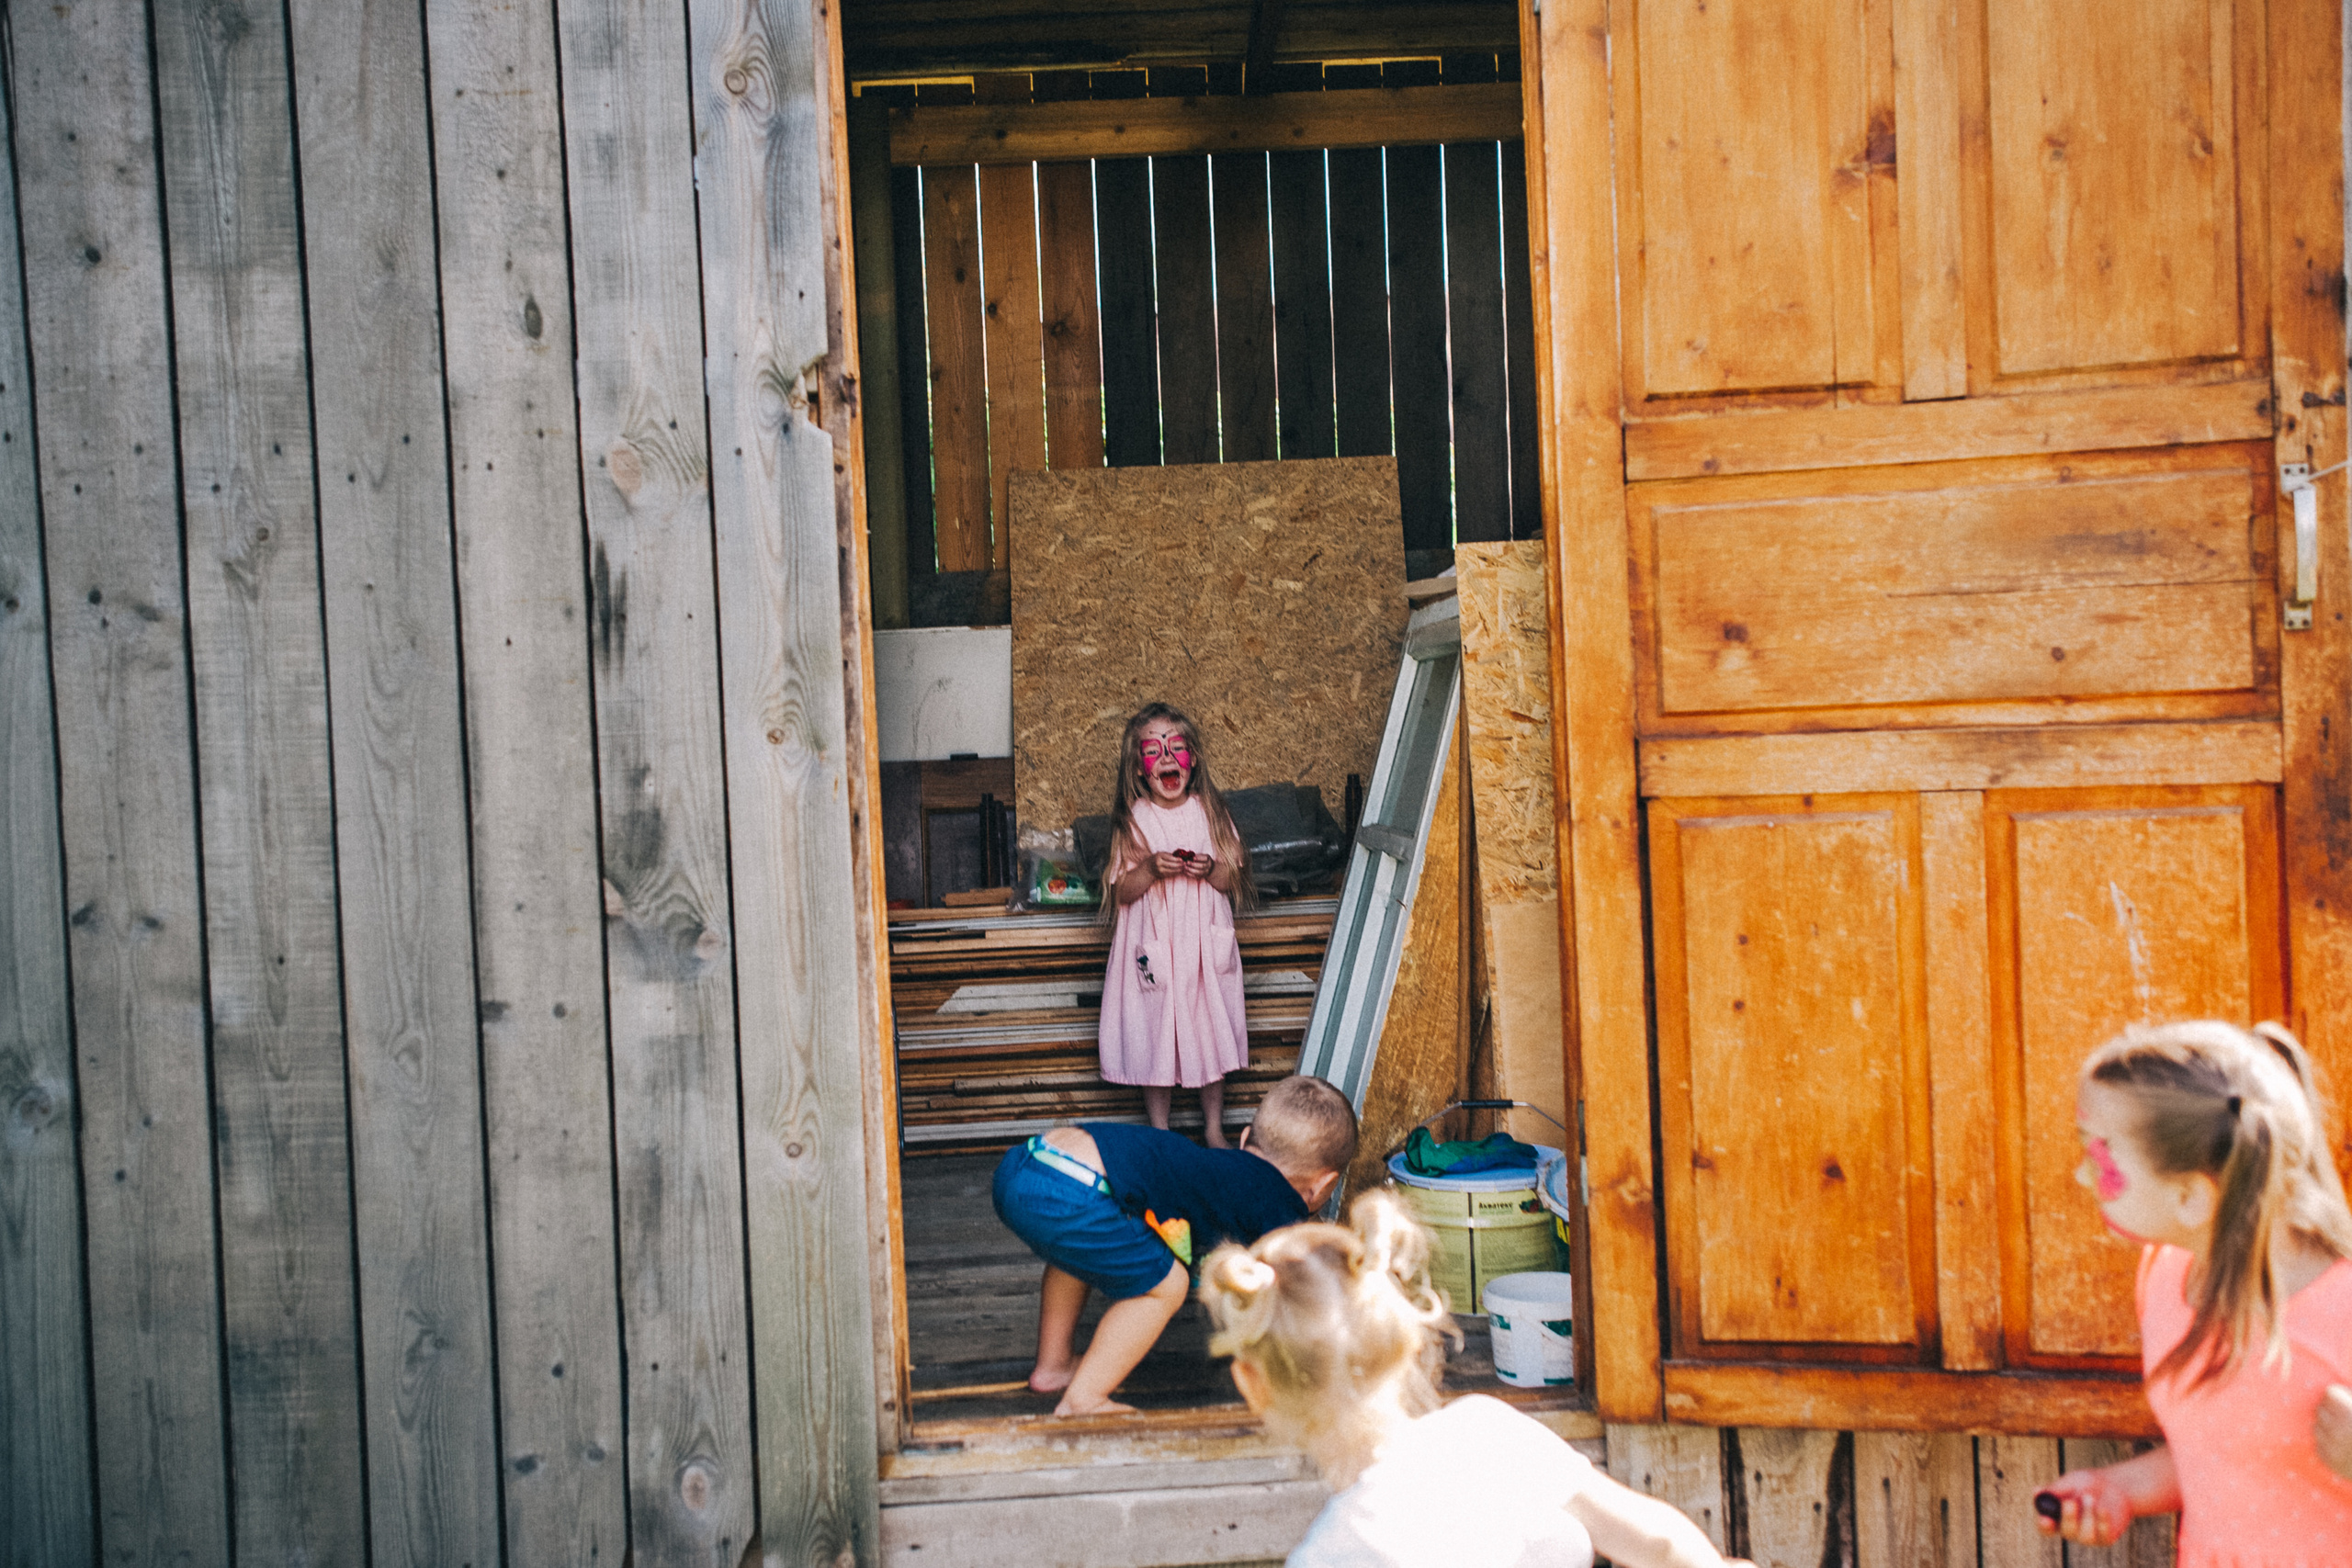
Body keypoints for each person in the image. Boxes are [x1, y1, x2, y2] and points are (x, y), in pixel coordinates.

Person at [1200, 1190, 1750, 1568]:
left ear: (1253, 1384)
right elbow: (1661, 1542)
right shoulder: (1488, 1432)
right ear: (1408, 1336)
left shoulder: (1328, 1556)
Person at [2039, 1020, 2352, 1560]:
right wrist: (2123, 1490)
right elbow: (2227, 1452)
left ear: (2191, 1198)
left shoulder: (2341, 1310)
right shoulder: (2163, 1278)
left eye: (2099, 1156)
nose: (2082, 1177)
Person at [993, 1074, 1356, 1416]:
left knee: (1075, 1253)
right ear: (1323, 1185)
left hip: (1030, 1161)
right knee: (1166, 1287)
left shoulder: (1217, 1168)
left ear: (1245, 1139)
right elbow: (1286, 1296)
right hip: (1079, 1189)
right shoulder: (1281, 1207)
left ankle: (1053, 1366)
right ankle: (1084, 1400)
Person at [1098, 703, 1253, 1146]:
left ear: (1193, 759)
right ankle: (1161, 1131)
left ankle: (1212, 1128)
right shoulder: (1135, 819)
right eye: (1153, 750)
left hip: (1204, 948)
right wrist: (1148, 869)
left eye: (1176, 747)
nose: (1167, 757)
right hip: (1157, 949)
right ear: (1140, 769)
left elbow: (1230, 879)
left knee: (1210, 1028)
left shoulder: (1212, 813)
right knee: (1155, 1030)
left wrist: (1208, 869)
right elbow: (1121, 891)